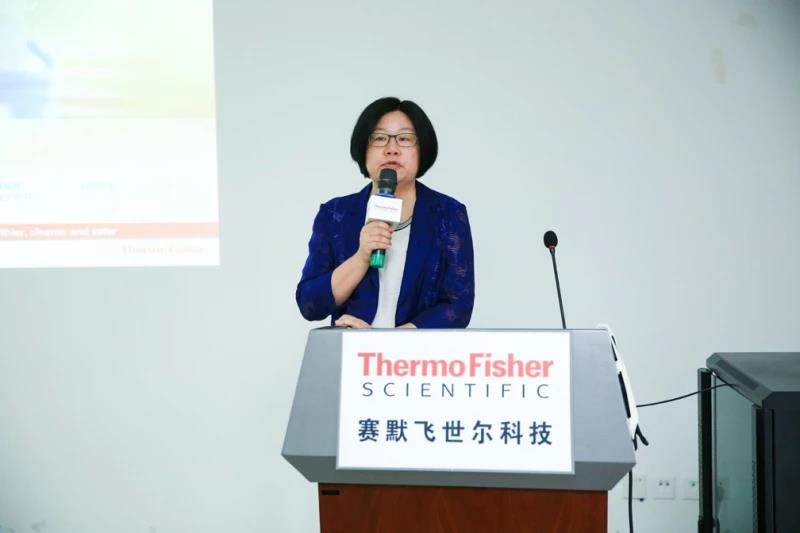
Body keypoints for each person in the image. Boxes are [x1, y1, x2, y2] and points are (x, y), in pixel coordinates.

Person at [296, 97, 474, 329]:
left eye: (404, 139)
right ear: (363, 148)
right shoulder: (335, 214)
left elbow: (458, 306)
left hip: (417, 351)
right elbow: (310, 304)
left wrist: (389, 343)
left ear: (422, 149)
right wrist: (361, 257)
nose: (392, 149)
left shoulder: (448, 214)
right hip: (352, 349)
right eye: (379, 138)